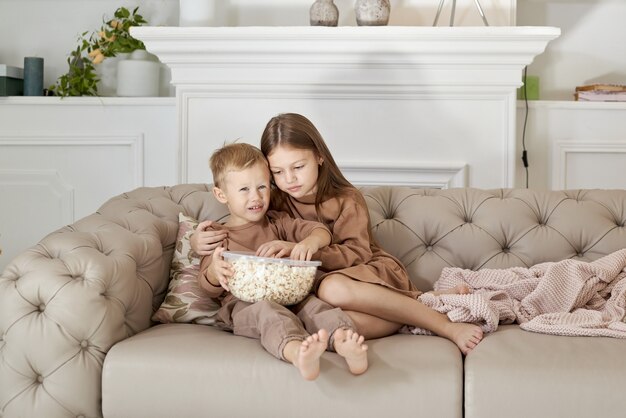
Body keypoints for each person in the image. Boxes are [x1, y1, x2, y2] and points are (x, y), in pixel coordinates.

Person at [193, 114, 483, 354]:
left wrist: (308, 251)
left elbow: (358, 253)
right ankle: (416, 303)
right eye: (277, 173)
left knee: (331, 289)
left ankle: (444, 324)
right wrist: (197, 240)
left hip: (364, 272)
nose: (289, 179)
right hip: (312, 290)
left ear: (319, 157)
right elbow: (240, 223)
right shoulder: (273, 198)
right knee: (319, 325)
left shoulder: (346, 199)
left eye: (298, 167)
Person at [197, 142, 368, 381]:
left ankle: (344, 342)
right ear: (221, 194)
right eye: (244, 189)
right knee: (269, 313)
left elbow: (320, 231)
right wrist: (216, 271)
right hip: (246, 305)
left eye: (262, 187)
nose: (256, 197)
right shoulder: (217, 235)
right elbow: (206, 284)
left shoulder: (278, 221)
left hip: (291, 295)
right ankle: (297, 353)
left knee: (316, 306)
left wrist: (309, 243)